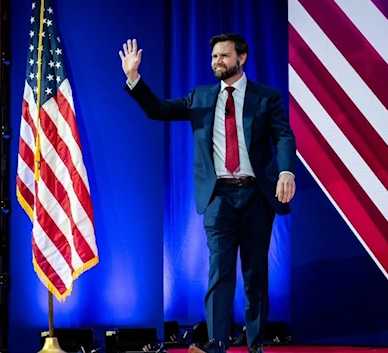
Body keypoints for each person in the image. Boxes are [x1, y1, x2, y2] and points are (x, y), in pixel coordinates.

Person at [118, 33, 296, 353]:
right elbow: (158, 109)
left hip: (256, 196)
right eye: (214, 57)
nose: (217, 62)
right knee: (220, 271)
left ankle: (256, 345)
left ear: (241, 58)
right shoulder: (199, 97)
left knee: (255, 274)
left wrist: (285, 171)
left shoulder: (265, 97)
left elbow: (283, 136)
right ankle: (217, 344)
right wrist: (134, 78)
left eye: (224, 56)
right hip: (218, 197)